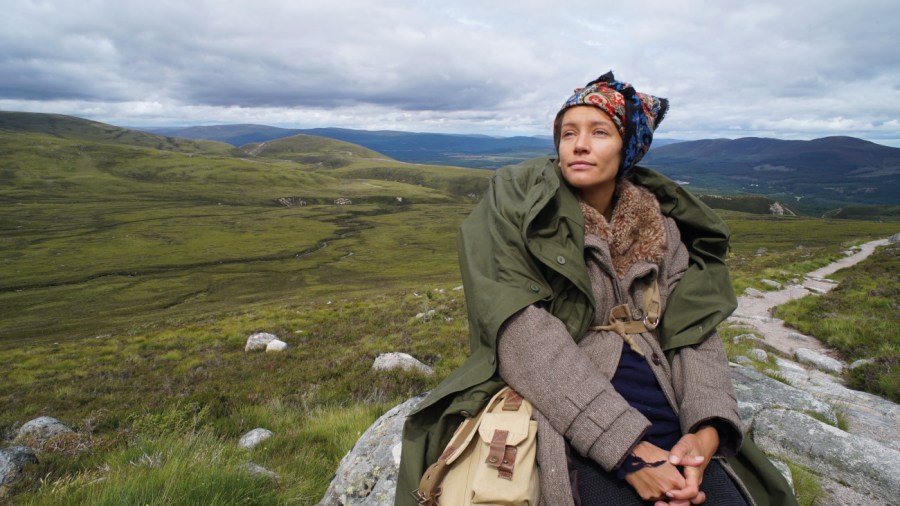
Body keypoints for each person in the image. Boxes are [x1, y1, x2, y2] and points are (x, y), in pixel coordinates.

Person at [395, 72, 797, 506]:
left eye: (599, 132)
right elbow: (520, 331)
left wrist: (705, 434)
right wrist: (628, 452)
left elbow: (693, 331)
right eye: (568, 133)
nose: (578, 144)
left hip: (668, 415)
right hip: (571, 413)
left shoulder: (663, 229)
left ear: (628, 149)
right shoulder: (520, 210)